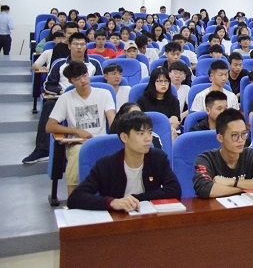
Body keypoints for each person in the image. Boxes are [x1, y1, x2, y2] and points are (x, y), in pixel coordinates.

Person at [67, 111, 180, 211]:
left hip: (147, 216)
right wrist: (112, 202)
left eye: (149, 132)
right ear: (124, 137)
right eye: (141, 133)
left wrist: (136, 198)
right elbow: (75, 198)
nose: (148, 138)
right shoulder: (106, 165)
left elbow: (174, 190)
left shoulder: (157, 158)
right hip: (116, 220)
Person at [23, 33, 103, 164]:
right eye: (75, 44)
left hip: (89, 98)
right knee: (49, 105)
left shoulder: (94, 63)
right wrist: (61, 92)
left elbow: (100, 84)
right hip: (64, 98)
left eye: (82, 44)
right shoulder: (59, 64)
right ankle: (42, 150)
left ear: (86, 46)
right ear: (69, 46)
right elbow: (48, 85)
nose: (79, 47)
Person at [45, 61, 116, 193]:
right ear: (71, 81)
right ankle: (72, 198)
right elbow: (50, 126)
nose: (83, 80)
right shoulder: (66, 98)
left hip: (100, 140)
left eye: (84, 75)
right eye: (77, 79)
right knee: (78, 153)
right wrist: (76, 131)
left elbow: (112, 119)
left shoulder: (104, 93)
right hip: (77, 143)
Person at [193, 109, 253, 198]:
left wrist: (232, 182)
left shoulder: (251, 155)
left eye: (244, 134)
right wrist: (248, 188)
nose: (241, 140)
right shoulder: (206, 159)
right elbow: (205, 189)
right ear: (220, 138)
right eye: (234, 135)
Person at [135, 67, 180, 135]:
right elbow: (139, 121)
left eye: (166, 81)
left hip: (167, 130)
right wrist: (167, 122)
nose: (163, 84)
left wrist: (170, 128)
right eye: (159, 81)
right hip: (146, 131)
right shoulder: (142, 100)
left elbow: (175, 121)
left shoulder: (173, 100)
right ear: (153, 83)